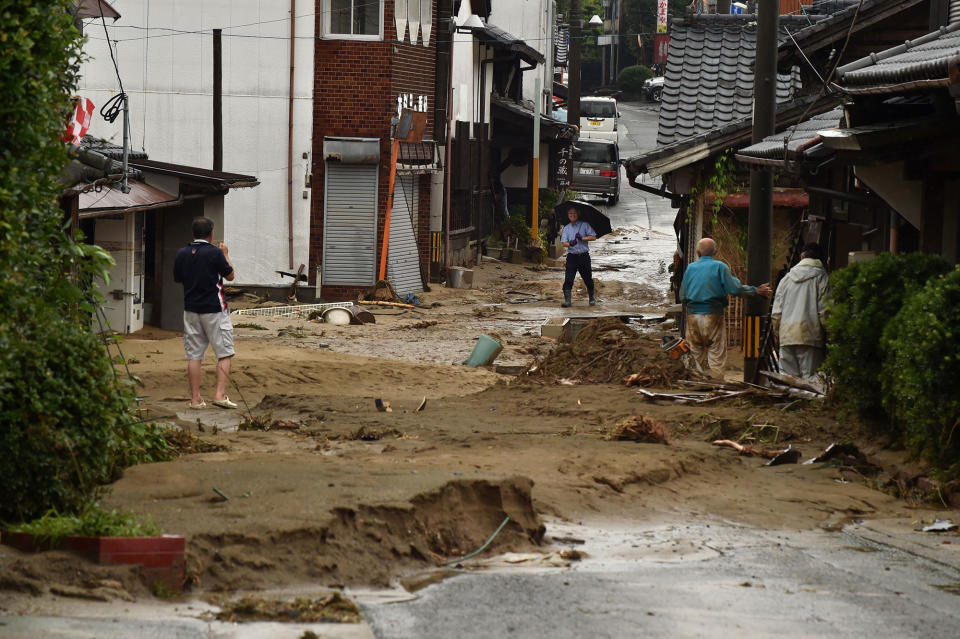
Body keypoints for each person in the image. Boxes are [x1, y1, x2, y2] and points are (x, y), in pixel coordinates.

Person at [679, 237, 772, 378]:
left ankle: (693, 385)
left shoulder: (690, 268)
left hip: (693, 317)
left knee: (694, 355)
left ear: (698, 252)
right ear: (715, 251)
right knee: (716, 354)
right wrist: (755, 290)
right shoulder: (720, 267)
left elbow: (683, 296)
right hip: (713, 315)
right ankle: (716, 388)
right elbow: (734, 289)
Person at [173, 216, 237, 409]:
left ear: (194, 232)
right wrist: (225, 253)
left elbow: (177, 279)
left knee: (194, 355)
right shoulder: (214, 253)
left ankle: (195, 399)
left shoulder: (182, 253)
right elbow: (230, 275)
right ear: (211, 233)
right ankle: (219, 394)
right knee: (224, 353)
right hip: (214, 308)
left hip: (191, 308)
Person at [771, 242, 830, 379]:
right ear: (820, 258)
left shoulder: (786, 279)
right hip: (810, 338)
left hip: (787, 336)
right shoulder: (821, 278)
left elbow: (776, 312)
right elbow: (825, 311)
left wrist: (778, 332)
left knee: (787, 382)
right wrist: (830, 334)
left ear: (801, 257)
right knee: (810, 383)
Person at [560, 206, 598, 307]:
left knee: (587, 278)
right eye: (570, 213)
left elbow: (593, 237)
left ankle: (591, 298)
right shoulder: (566, 228)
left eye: (574, 213)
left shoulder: (584, 225)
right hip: (572, 257)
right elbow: (563, 243)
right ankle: (568, 301)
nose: (572, 215)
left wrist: (583, 238)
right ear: (568, 215)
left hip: (583, 256)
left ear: (578, 214)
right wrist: (570, 244)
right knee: (568, 279)